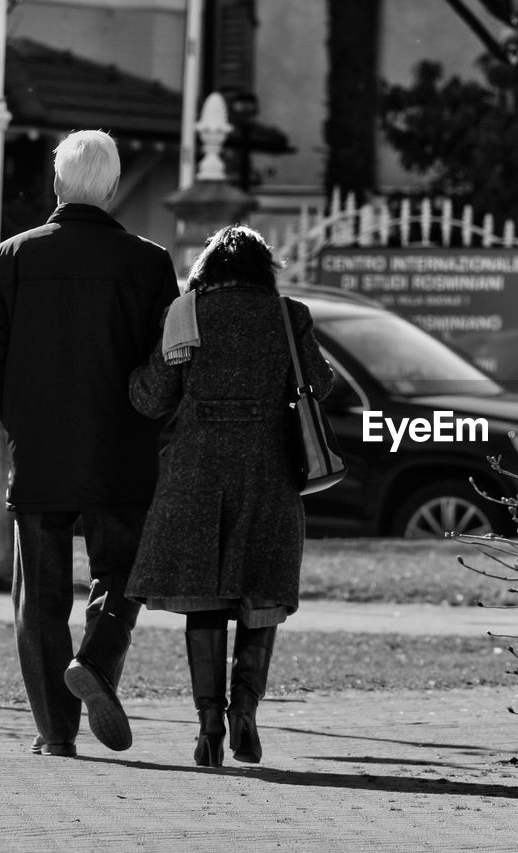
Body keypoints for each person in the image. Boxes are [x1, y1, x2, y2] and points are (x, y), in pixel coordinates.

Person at [0, 130, 180, 756]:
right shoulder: (148, 263)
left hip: (40, 453)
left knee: (41, 594)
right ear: (112, 189)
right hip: (121, 447)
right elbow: (166, 361)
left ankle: (55, 732)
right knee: (121, 572)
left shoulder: (9, 258)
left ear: (58, 183)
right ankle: (95, 657)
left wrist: (25, 420)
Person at [125, 225, 334, 767]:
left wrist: (127, 376)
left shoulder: (186, 313)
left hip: (196, 475)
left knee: (206, 597)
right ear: (265, 270)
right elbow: (322, 382)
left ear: (207, 269)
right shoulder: (290, 315)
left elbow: (152, 399)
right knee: (261, 595)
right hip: (269, 473)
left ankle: (209, 726)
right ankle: (246, 711)